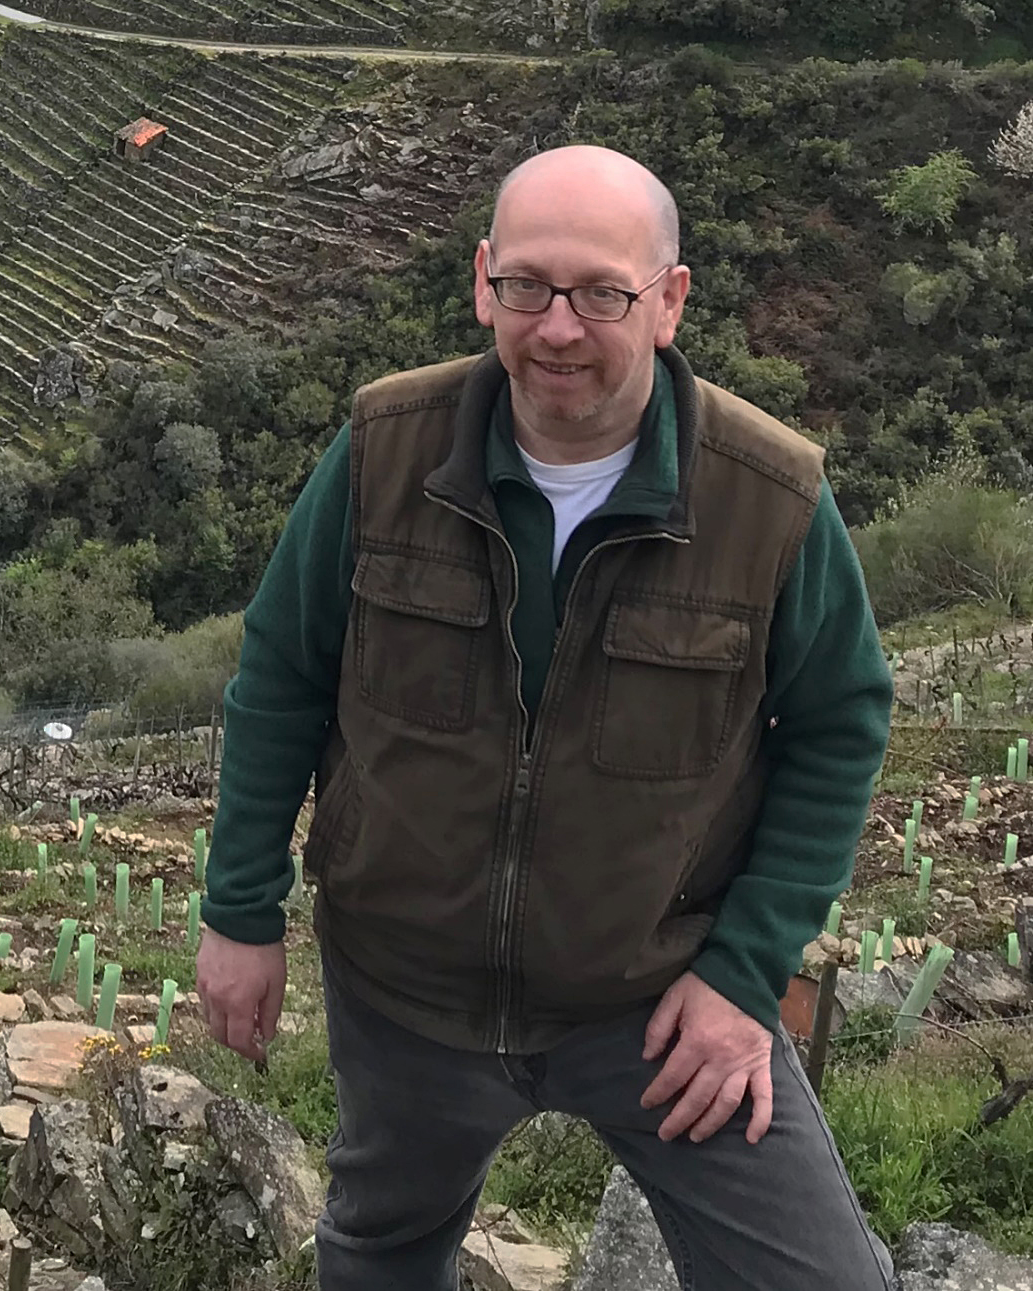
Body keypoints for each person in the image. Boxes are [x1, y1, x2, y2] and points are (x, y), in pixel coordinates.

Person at [196, 144, 895, 1291]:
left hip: (656, 1000)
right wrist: (239, 912)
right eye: (525, 286)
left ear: (666, 301)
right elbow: (280, 676)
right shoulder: (382, 451)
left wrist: (740, 976)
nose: (556, 328)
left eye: (601, 294)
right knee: (377, 1249)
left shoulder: (767, 501)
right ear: (481, 283)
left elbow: (837, 726)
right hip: (403, 987)